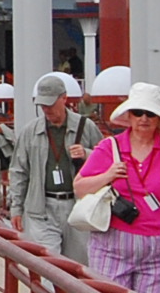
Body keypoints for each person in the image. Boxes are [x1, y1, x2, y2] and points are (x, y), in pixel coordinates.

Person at [73, 83, 160, 293]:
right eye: (138, 112)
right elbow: (79, 187)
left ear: (159, 118)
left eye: (150, 114)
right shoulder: (110, 146)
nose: (143, 119)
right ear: (129, 115)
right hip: (113, 242)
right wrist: (108, 175)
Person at [7, 71, 103, 266]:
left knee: (78, 267)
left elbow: (106, 160)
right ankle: (49, 288)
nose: (46, 109)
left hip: (77, 206)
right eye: (42, 105)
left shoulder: (86, 126)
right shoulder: (30, 132)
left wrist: (86, 153)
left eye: (50, 104)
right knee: (48, 266)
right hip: (41, 208)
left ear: (64, 98)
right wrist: (16, 208)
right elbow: (18, 171)